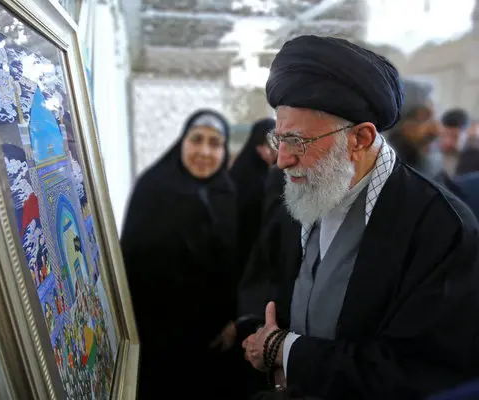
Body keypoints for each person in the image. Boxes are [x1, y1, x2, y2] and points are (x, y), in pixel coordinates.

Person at [239, 35, 479, 400]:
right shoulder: (301, 188)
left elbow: (421, 371)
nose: (282, 159)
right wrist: (256, 329)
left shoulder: (441, 228)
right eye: (279, 139)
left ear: (360, 139)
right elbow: (268, 280)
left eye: (298, 141)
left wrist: (286, 351)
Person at [120, 109, 241, 399]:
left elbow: (232, 265)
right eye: (196, 139)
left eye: (215, 143)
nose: (204, 151)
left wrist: (231, 319)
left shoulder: (225, 192)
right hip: (157, 333)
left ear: (224, 151)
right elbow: (133, 262)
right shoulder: (153, 190)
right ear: (181, 143)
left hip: (213, 337)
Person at [230, 118, 277, 270]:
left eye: (274, 144)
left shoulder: (281, 170)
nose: (269, 150)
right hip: (243, 243)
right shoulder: (243, 171)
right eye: (264, 144)